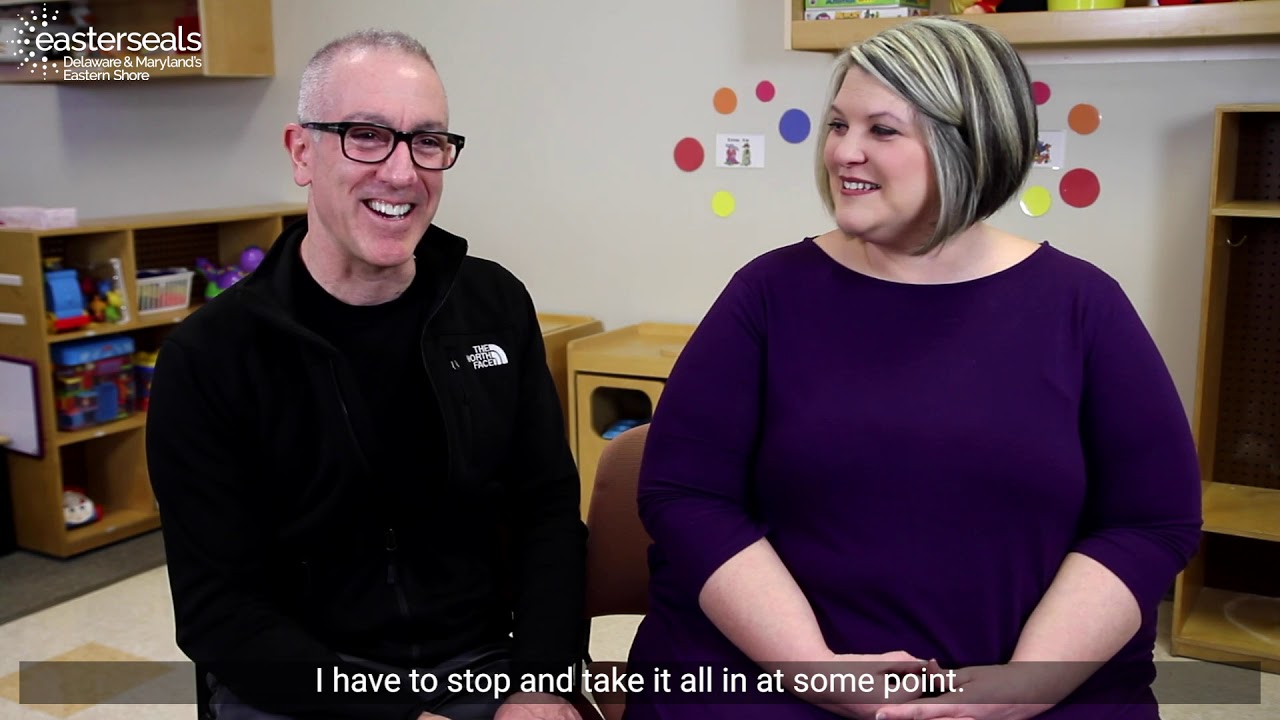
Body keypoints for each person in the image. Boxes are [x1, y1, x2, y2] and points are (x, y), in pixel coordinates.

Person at [623, 17, 1201, 720]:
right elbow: (686, 495)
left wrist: (1028, 685)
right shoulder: (767, 295)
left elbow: (1151, 521)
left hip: (1030, 692)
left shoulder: (1083, 307)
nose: (843, 152)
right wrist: (815, 670)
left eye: (882, 130)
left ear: (971, 147)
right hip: (774, 682)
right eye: (838, 124)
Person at [146, 30, 587, 720]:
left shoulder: (495, 306)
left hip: (480, 668)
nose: (402, 173)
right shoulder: (209, 357)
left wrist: (543, 683)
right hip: (301, 688)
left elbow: (548, 511)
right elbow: (218, 609)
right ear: (301, 152)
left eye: (428, 141)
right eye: (367, 136)